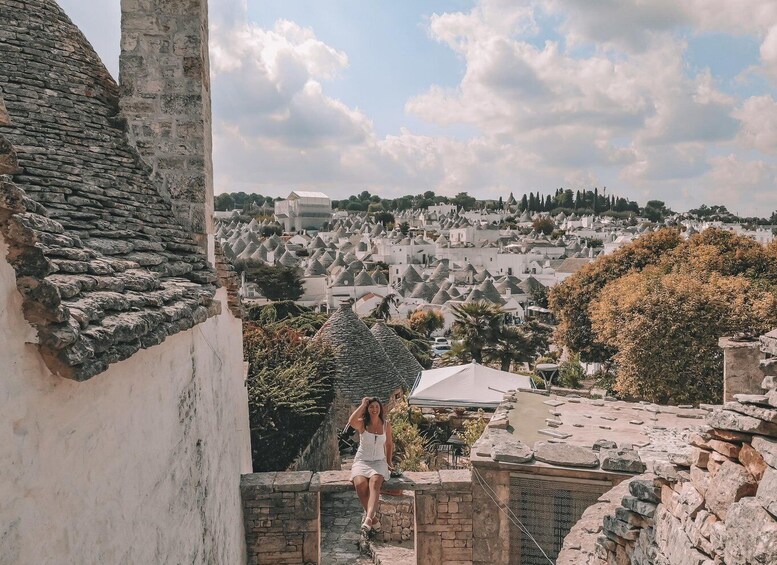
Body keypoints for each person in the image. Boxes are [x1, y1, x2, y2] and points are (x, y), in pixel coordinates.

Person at [348, 396, 394, 533]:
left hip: (379, 461)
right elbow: (351, 422)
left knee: (375, 482)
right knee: (360, 484)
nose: (374, 409)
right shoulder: (362, 423)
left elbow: (389, 444)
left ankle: (368, 519)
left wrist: (389, 461)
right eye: (371, 407)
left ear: (380, 409)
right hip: (361, 460)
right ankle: (373, 519)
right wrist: (362, 404)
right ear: (368, 409)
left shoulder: (386, 424)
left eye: (377, 407)